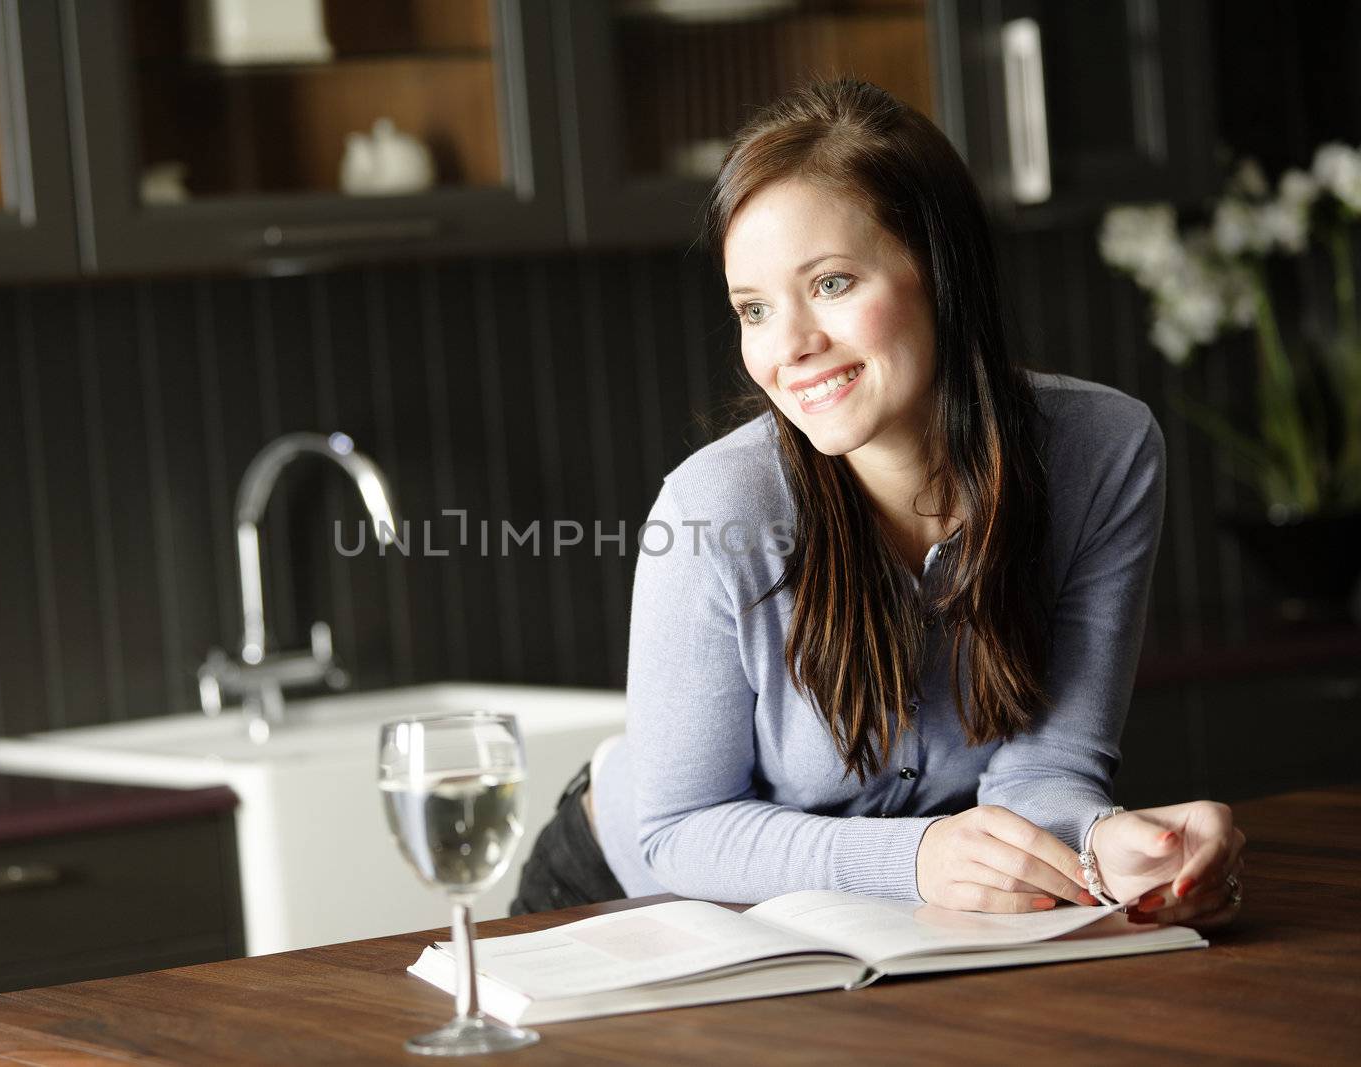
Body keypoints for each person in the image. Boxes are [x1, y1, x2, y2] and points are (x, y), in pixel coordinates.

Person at [511, 79, 1245, 928]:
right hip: (622, 897)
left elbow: (1048, 769)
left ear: (941, 268)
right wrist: (916, 858)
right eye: (753, 309)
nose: (789, 347)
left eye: (829, 284)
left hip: (879, 918)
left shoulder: (1104, 454)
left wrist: (1105, 844)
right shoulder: (714, 508)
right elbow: (679, 828)